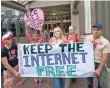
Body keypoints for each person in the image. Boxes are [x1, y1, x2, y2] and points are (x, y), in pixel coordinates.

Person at [85, 23, 110, 88]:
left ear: (101, 31)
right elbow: (83, 50)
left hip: (100, 63)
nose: (95, 31)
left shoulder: (105, 42)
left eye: (98, 30)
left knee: (102, 84)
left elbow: (105, 57)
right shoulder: (88, 38)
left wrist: (99, 69)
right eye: (94, 30)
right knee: (89, 82)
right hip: (90, 63)